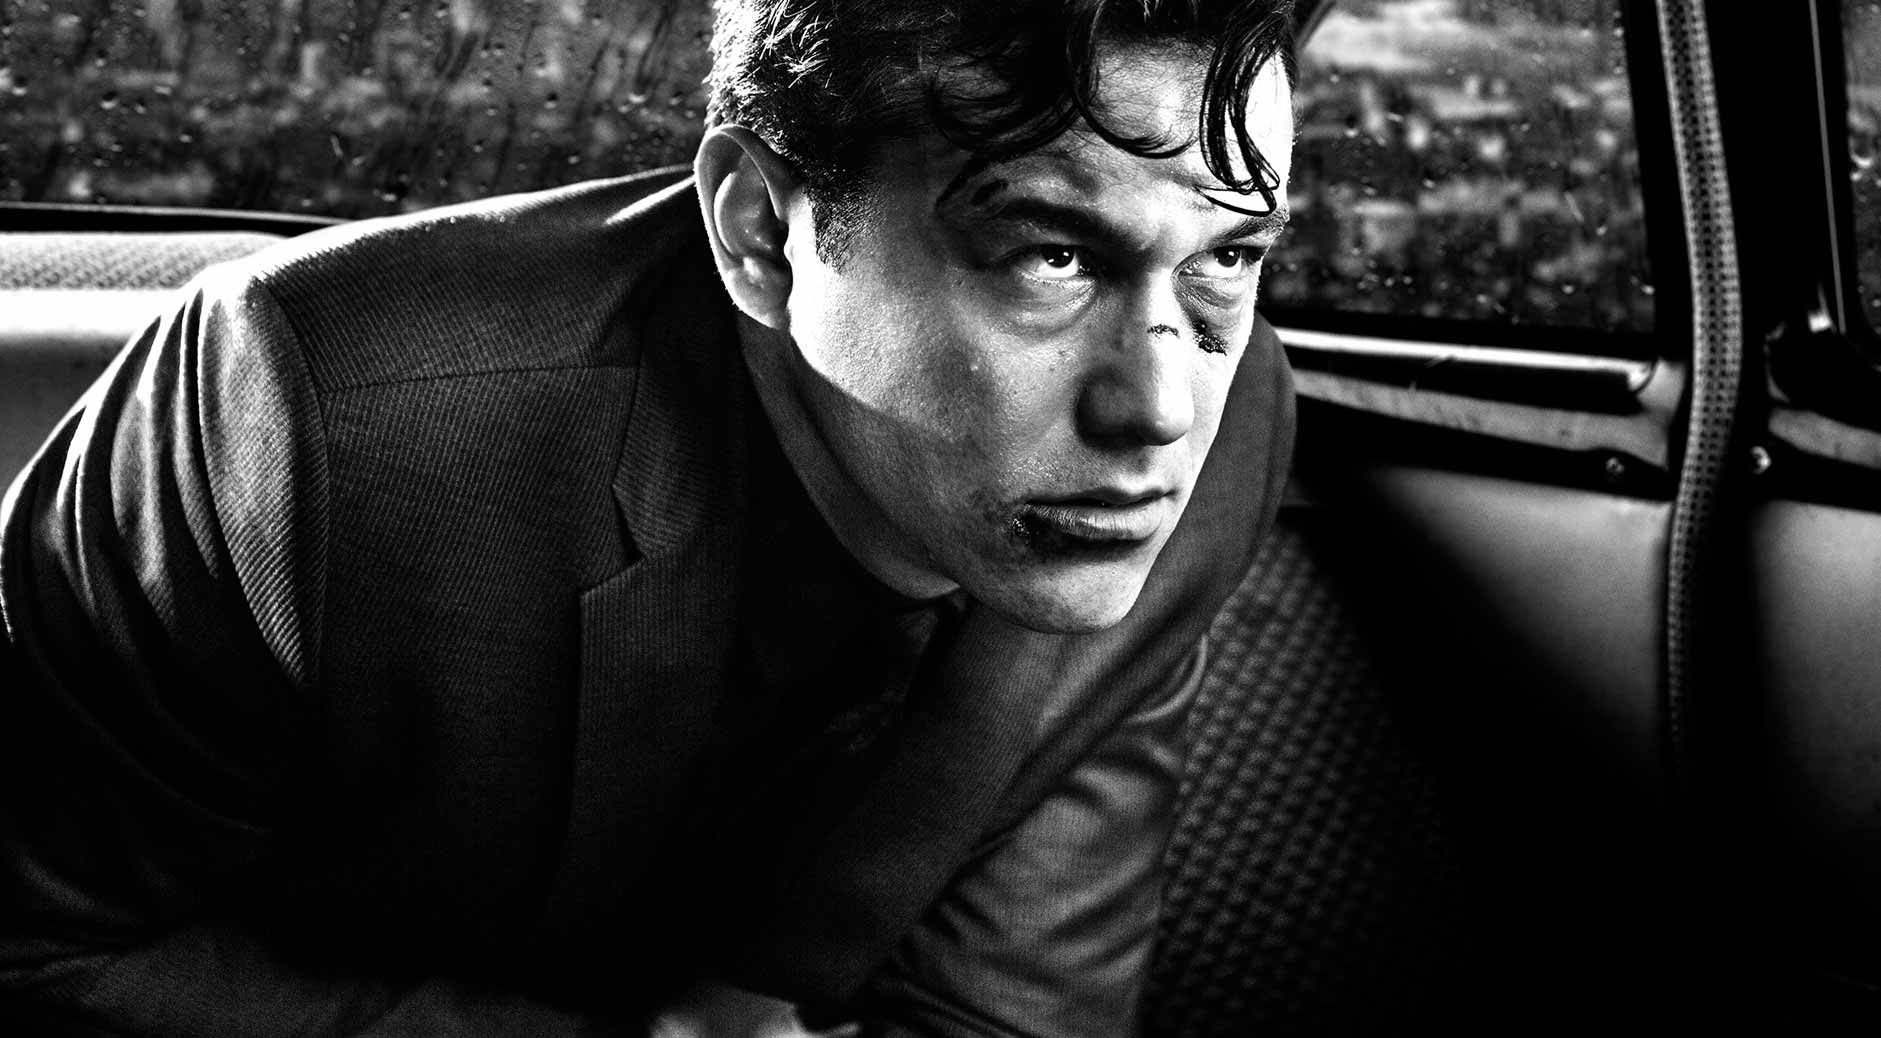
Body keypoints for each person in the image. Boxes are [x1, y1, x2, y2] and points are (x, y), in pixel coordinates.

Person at [0, 0, 1297, 1034]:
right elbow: (32, 951)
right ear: (760, 230)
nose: (1159, 407)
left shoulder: (1219, 426)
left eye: (1229, 256)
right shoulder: (327, 420)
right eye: (1050, 255)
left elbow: (1004, 1002)